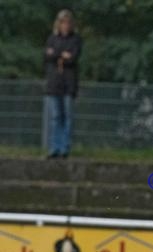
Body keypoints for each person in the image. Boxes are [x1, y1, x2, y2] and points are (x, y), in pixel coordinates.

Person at [44, 9, 82, 159]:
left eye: (67, 23)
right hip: (54, 84)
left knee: (67, 117)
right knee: (55, 117)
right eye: (62, 23)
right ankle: (54, 148)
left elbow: (72, 57)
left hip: (69, 84)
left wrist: (56, 54)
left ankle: (64, 148)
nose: (65, 26)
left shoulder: (75, 39)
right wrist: (62, 55)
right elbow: (47, 55)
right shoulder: (52, 38)